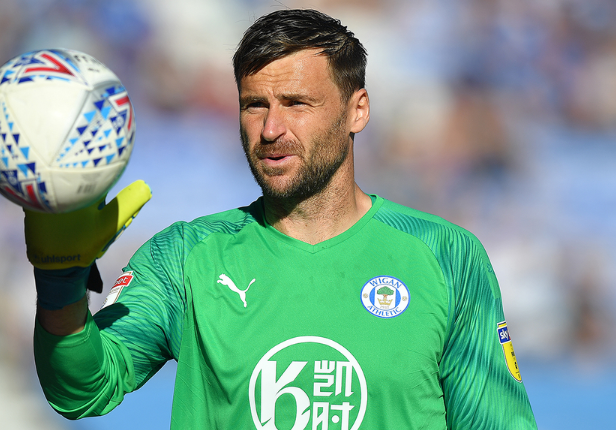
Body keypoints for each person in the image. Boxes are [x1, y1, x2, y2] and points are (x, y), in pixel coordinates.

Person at [28, 9, 537, 429]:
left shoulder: (447, 257)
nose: (271, 128)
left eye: (297, 104)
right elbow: (82, 390)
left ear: (357, 111)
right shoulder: (184, 256)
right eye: (255, 105)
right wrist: (59, 284)